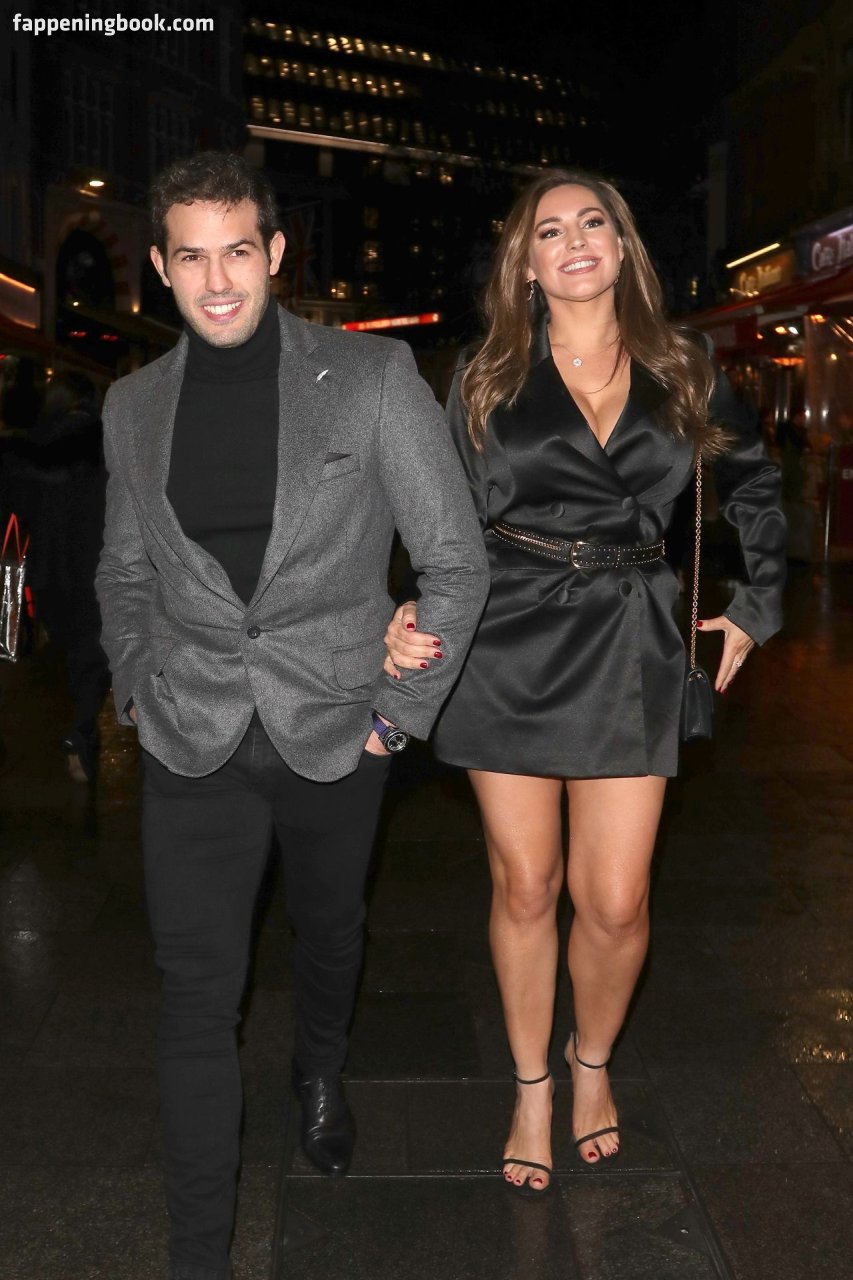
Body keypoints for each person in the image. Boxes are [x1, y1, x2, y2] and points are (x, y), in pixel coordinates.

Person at [95, 151, 488, 1280]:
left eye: (237, 251)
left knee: (330, 932)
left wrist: (394, 718)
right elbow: (124, 571)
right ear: (160, 267)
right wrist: (135, 683)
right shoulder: (131, 406)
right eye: (190, 257)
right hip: (191, 735)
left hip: (337, 728)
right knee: (194, 998)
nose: (216, 279)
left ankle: (320, 1068)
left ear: (274, 252)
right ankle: (198, 1257)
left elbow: (455, 560)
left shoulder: (370, 376)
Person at [384, 168, 786, 1197]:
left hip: (630, 634)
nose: (572, 240)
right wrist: (406, 605)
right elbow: (434, 513)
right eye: (548, 230)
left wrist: (757, 599)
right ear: (524, 263)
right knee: (525, 884)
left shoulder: (682, 364)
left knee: (613, 900)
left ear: (621, 245)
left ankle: (590, 1058)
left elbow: (751, 478)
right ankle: (531, 1085)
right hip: (505, 634)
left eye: (591, 222)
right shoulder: (484, 373)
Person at [26, 371, 111, 781]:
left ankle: (76, 728)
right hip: (91, 560)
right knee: (92, 651)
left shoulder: (32, 442)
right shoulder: (104, 439)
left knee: (66, 648)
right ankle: (81, 729)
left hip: (45, 566)